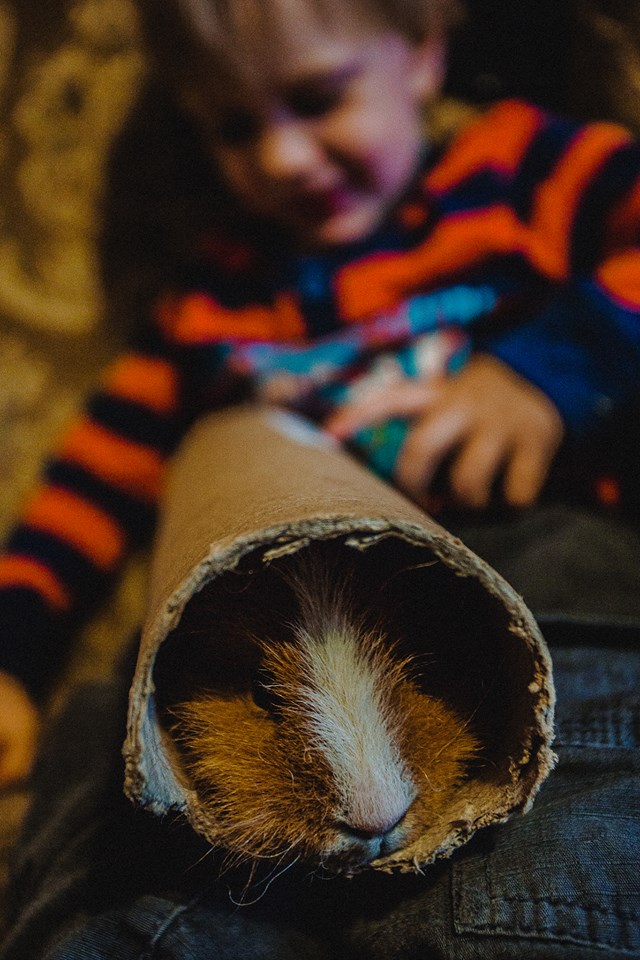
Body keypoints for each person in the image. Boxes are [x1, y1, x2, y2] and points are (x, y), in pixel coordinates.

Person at [1, 0, 640, 871]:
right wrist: (14, 652)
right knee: (107, 731)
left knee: (582, 707)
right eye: (233, 129)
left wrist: (549, 373)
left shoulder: (525, 173)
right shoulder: (211, 306)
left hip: (525, 551)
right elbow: (94, 477)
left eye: (318, 97)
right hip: (277, 618)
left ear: (419, 53)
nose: (282, 158)